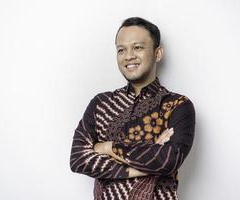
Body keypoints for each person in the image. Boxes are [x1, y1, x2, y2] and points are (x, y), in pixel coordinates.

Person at [69, 17, 196, 200]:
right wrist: (150, 154)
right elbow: (78, 159)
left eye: (138, 47)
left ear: (158, 53)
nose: (128, 55)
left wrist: (106, 147)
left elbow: (169, 160)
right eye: (121, 50)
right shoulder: (101, 104)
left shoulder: (177, 105)